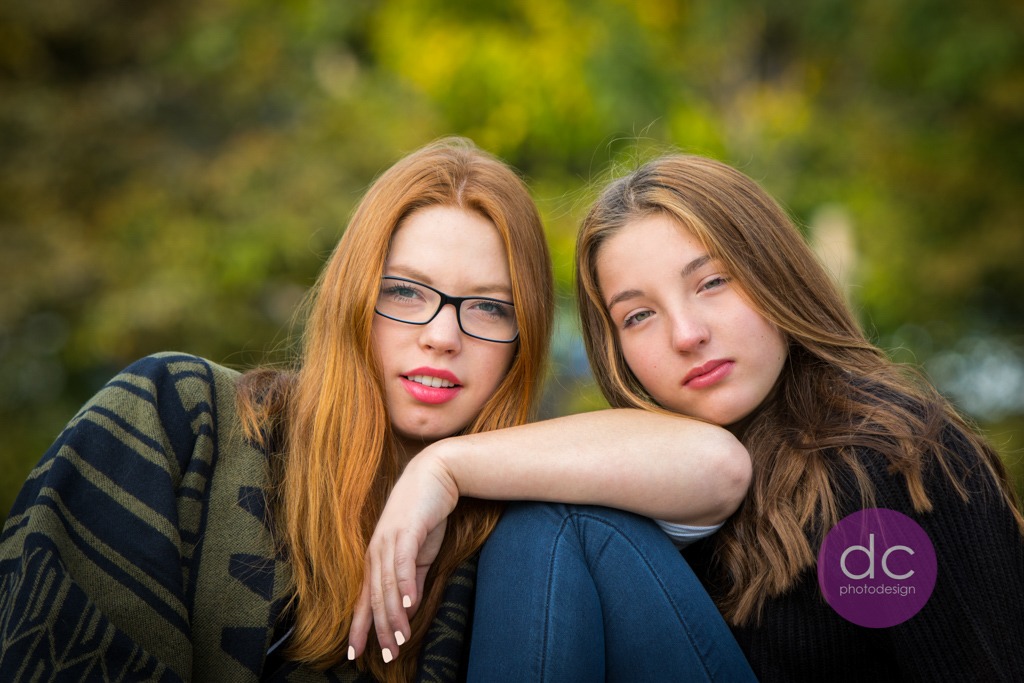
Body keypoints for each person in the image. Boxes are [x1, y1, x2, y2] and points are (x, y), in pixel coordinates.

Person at [1, 137, 752, 682]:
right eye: (406, 292)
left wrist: (443, 467)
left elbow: (715, 465)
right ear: (353, 297)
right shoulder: (177, 417)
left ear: (523, 341)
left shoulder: (497, 531)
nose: (441, 335)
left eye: (488, 307)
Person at [356, 153, 1024, 681]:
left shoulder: (892, 464)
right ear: (616, 352)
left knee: (554, 525)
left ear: (775, 273)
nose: (686, 333)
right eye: (638, 314)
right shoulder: (652, 478)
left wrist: (442, 466)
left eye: (711, 282)